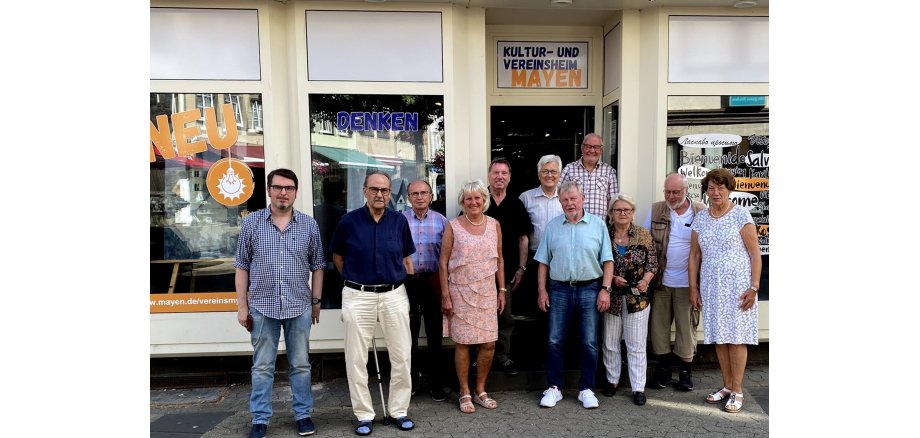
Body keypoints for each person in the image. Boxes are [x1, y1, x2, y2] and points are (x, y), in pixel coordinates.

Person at [234, 168, 325, 438]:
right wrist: (242, 306)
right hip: (262, 306)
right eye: (278, 187)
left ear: (296, 192)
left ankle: (303, 414)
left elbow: (318, 266)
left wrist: (316, 302)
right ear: (268, 190)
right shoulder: (252, 224)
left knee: (301, 364)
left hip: (299, 306)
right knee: (262, 366)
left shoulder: (309, 225)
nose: (283, 192)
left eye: (288, 188)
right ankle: (260, 419)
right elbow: (241, 266)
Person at [330, 171, 417, 435]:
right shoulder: (348, 222)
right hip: (359, 295)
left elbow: (406, 259)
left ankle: (399, 411)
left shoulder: (399, 221)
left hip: (394, 294)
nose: (380, 195)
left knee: (402, 354)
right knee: (356, 358)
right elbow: (337, 257)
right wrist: (353, 280)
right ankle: (364, 414)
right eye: (375, 189)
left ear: (390, 194)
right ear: (365, 191)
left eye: (385, 190)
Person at [535, 181, 613, 410]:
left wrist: (605, 289)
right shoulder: (553, 227)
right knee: (554, 340)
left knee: (589, 341)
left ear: (583, 199)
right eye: (565, 200)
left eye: (573, 199)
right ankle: (554, 388)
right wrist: (542, 290)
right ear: (560, 202)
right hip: (559, 289)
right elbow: (542, 263)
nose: (569, 203)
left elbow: (608, 261)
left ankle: (586, 389)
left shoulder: (598, 225)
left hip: (590, 288)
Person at [689, 168, 762, 414]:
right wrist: (693, 287)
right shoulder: (701, 218)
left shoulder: (741, 214)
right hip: (712, 286)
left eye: (721, 187)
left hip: (739, 287)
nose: (716, 192)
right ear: (706, 191)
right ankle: (728, 386)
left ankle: (738, 390)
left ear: (729, 189)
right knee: (720, 337)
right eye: (711, 187)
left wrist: (754, 287)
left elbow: (755, 254)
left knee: (736, 337)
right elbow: (694, 255)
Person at [439, 180, 507, 414]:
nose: (474, 202)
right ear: (463, 202)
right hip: (460, 291)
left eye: (477, 197)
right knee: (464, 343)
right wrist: (445, 296)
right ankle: (464, 391)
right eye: (469, 198)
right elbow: (443, 263)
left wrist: (502, 290)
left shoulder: (494, 224)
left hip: (488, 291)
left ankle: (480, 389)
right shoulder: (453, 226)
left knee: (488, 343)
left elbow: (499, 259)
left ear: (484, 200)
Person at [644, 173, 707, 392]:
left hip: (689, 283)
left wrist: (697, 286)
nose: (671, 196)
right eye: (667, 192)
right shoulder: (656, 210)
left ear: (685, 191)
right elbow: (646, 244)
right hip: (661, 281)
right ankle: (663, 371)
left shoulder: (701, 212)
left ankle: (685, 373)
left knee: (686, 328)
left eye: (676, 192)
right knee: (658, 328)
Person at [601, 194, 658, 406]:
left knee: (636, 344)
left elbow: (653, 263)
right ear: (611, 213)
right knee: (610, 342)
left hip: (638, 298)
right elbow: (598, 262)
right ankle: (612, 381)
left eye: (627, 209)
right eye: (618, 210)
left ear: (633, 212)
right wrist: (611, 278)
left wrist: (645, 280)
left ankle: (638, 387)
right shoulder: (604, 234)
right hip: (612, 297)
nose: (623, 213)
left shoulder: (643, 235)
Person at [483, 158, 532, 376]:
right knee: (481, 316)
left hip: (509, 270)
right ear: (489, 175)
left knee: (505, 315)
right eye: (496, 173)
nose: (499, 177)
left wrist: (521, 267)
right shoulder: (479, 199)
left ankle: (502, 356)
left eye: (504, 173)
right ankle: (480, 356)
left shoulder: (516, 204)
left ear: (510, 177)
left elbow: (523, 238)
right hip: (481, 271)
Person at [402, 179, 449, 402]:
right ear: (408, 197)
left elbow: (447, 257)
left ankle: (436, 384)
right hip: (407, 282)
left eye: (424, 193)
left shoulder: (442, 222)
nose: (419, 197)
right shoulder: (399, 220)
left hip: (432, 281)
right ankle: (409, 383)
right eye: (414, 194)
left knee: (434, 335)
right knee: (407, 335)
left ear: (431, 196)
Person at [518, 155, 564, 318]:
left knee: (558, 307)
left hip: (560, 259)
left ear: (560, 174)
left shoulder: (567, 198)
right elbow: (520, 231)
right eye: (545, 171)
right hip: (534, 259)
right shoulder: (525, 198)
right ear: (538, 174)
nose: (549, 175)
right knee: (535, 306)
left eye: (553, 171)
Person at [560, 133, 619, 222]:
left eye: (596, 147)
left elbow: (613, 202)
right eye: (588, 146)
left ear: (601, 150)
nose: (592, 150)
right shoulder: (569, 169)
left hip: (598, 227)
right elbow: (558, 196)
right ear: (582, 148)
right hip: (572, 225)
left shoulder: (609, 171)